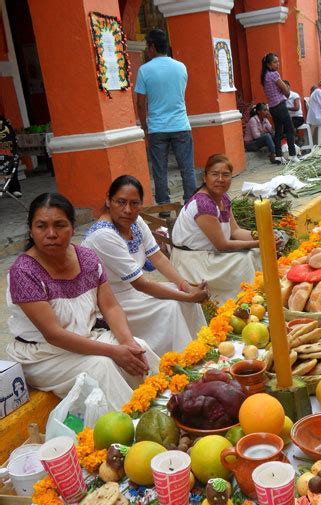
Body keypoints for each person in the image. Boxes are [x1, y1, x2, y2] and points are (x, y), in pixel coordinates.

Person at [6, 193, 159, 407]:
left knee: (139, 349)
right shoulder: (23, 272)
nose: (51, 234)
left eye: (60, 225)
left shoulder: (87, 258)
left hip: (87, 339)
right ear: (31, 230)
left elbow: (111, 307)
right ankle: (134, 428)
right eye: (41, 226)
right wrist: (114, 351)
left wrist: (127, 343)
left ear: (72, 227)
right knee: (101, 367)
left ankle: (169, 406)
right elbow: (55, 335)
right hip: (43, 355)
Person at [83, 175, 208, 356]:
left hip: (133, 293)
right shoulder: (103, 235)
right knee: (171, 307)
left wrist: (186, 287)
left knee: (182, 296)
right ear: (108, 200)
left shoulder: (135, 221)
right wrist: (189, 296)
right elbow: (141, 284)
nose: (127, 210)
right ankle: (178, 360)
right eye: (120, 202)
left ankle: (201, 349)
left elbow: (158, 257)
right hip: (111, 302)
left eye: (134, 204)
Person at [170, 154, 261, 303]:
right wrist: (259, 242)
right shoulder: (203, 204)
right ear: (205, 177)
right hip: (192, 262)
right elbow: (222, 245)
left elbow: (235, 232)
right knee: (246, 258)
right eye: (215, 174)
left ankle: (255, 299)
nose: (220, 179)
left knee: (257, 252)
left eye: (226, 175)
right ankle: (243, 302)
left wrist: (262, 235)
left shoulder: (223, 198)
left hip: (209, 255)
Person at [135, 28, 196, 217]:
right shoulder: (181, 67)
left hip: (157, 128)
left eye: (147, 46)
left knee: (159, 170)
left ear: (152, 47)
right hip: (180, 124)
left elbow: (140, 102)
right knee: (187, 167)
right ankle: (191, 204)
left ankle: (164, 207)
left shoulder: (144, 70)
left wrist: (145, 126)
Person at [260, 53, 299, 164]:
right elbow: (286, 90)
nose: (278, 64)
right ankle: (292, 155)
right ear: (268, 64)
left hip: (272, 107)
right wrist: (284, 90)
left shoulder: (265, 76)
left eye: (278, 61)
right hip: (280, 105)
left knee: (278, 131)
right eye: (275, 62)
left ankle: (279, 156)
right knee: (290, 129)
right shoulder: (274, 74)